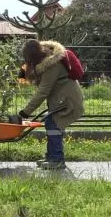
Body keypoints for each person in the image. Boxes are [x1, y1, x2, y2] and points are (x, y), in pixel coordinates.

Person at [17, 39, 84, 170]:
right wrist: (22, 73)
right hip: (60, 98)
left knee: (54, 124)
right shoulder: (42, 57)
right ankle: (51, 156)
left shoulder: (52, 64)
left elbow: (43, 91)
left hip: (68, 99)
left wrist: (25, 112)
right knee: (50, 122)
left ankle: (57, 159)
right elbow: (25, 76)